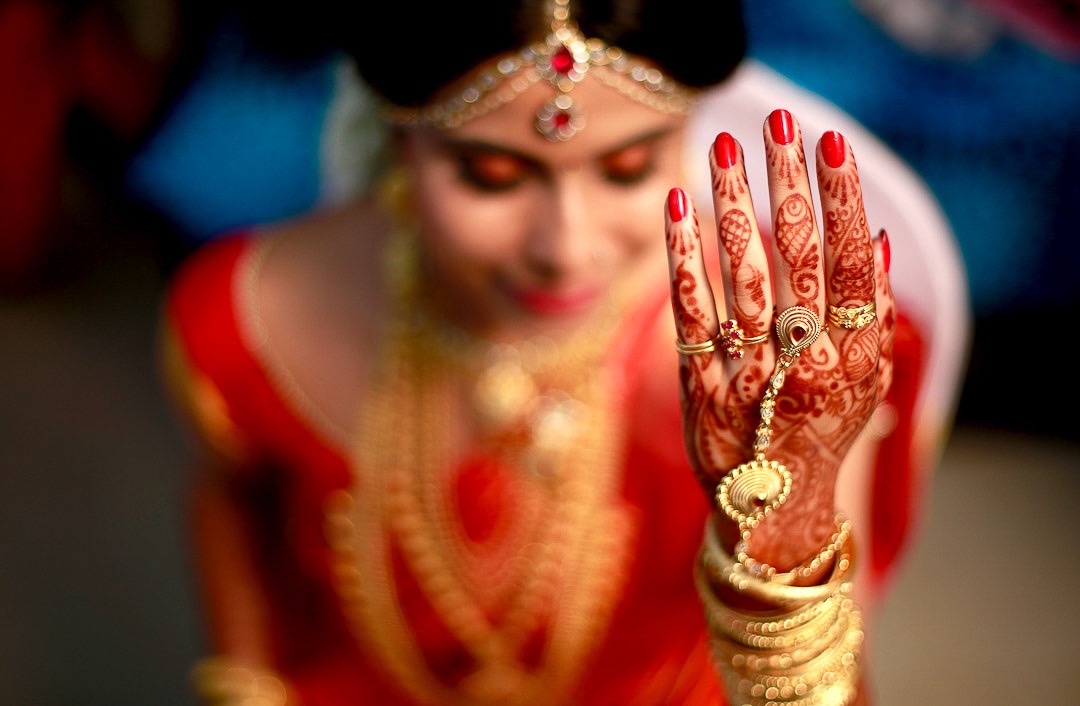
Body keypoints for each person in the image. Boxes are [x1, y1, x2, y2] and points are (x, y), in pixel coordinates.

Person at [157, 0, 967, 704]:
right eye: (494, 176)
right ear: (400, 136)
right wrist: (244, 681)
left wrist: (788, 561)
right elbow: (233, 499)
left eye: (628, 169)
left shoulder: (787, 354)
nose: (565, 248)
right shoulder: (254, 311)